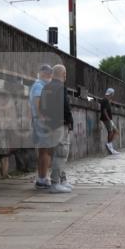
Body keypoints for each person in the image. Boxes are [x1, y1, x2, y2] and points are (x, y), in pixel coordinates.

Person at [39, 65, 74, 193]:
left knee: (55, 153)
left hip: (49, 124)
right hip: (60, 124)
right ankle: (55, 183)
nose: (66, 77)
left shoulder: (46, 87)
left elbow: (42, 107)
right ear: (63, 74)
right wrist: (70, 121)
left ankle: (62, 180)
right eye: (65, 74)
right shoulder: (60, 87)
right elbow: (65, 106)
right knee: (61, 153)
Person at [29, 64, 54, 188]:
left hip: (39, 121)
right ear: (43, 73)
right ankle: (43, 178)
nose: (50, 77)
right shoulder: (39, 85)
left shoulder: (40, 85)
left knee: (43, 151)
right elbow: (38, 102)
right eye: (49, 74)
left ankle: (42, 177)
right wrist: (43, 117)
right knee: (45, 151)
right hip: (42, 123)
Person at [100, 87, 120, 154]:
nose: (113, 95)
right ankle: (110, 146)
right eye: (112, 94)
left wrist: (110, 102)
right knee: (111, 131)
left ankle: (110, 145)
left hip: (108, 118)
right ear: (110, 93)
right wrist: (109, 119)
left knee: (115, 131)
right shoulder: (105, 100)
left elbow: (106, 109)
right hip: (106, 119)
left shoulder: (107, 100)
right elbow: (104, 111)